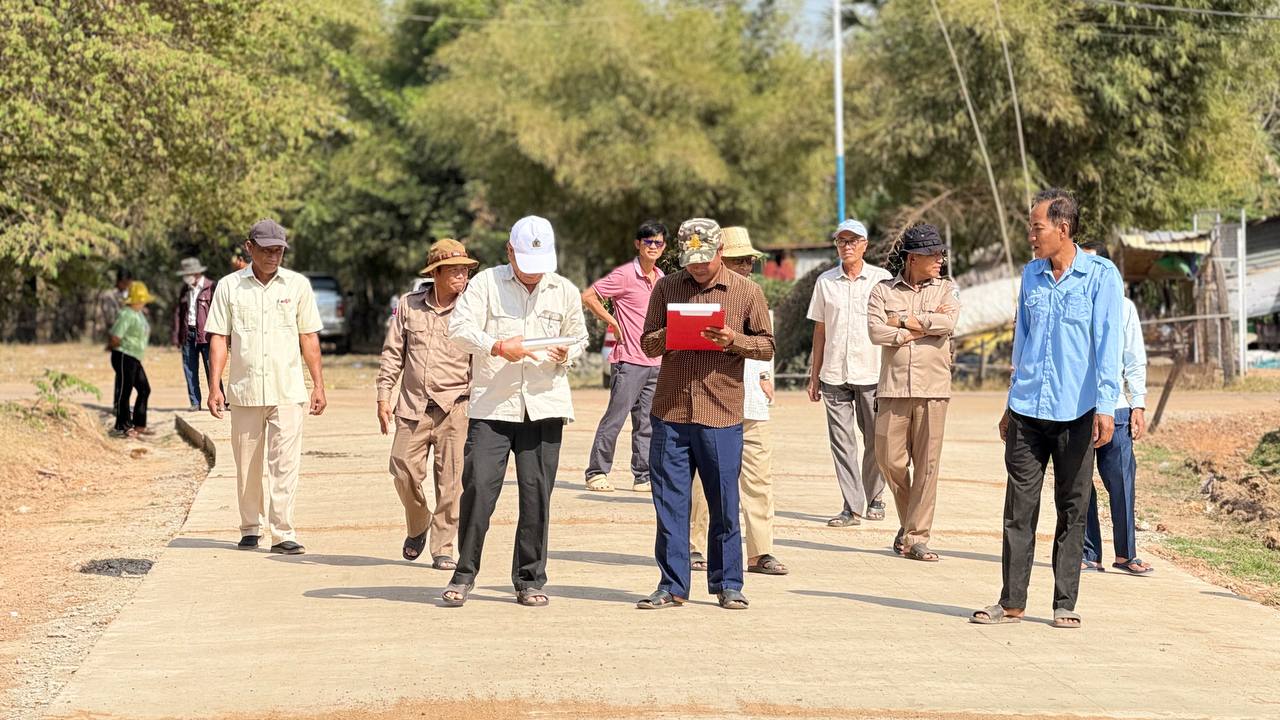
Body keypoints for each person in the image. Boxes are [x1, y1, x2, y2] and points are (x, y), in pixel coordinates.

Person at [971, 188, 1123, 629]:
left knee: (1072, 509)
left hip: (1078, 412)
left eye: (1037, 228)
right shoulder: (1031, 275)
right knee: (1018, 510)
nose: (1031, 236)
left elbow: (1108, 343)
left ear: (1063, 228)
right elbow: (1022, 343)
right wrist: (1009, 402)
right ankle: (1011, 602)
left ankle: (1064, 602)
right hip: (1026, 410)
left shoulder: (1100, 276)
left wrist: (1106, 406)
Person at [441, 216, 589, 607]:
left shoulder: (563, 289)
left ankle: (530, 579)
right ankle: (464, 573)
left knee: (536, 495)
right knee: (478, 488)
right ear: (510, 251)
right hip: (493, 405)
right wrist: (495, 346)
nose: (534, 273)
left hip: (545, 404)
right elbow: (459, 329)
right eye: (526, 263)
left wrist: (567, 352)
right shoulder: (486, 285)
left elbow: (580, 336)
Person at [635, 218, 774, 611]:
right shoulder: (666, 287)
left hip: (721, 414)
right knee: (670, 505)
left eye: (705, 259)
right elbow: (647, 344)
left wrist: (734, 340)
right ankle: (672, 586)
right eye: (690, 260)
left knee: (724, 504)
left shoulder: (746, 291)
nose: (697, 267)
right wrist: (673, 333)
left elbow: (767, 345)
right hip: (671, 412)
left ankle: (728, 584)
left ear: (720, 252)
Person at [206, 218, 327, 556]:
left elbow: (309, 337)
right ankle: (250, 527)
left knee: (284, 464)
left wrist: (318, 384)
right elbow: (219, 338)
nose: (273, 256)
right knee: (247, 465)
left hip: (287, 389)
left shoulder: (297, 285)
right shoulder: (229, 287)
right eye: (267, 250)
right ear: (250, 248)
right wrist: (214, 386)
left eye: (279, 251)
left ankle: (283, 532)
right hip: (244, 391)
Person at [689, 226, 787, 576]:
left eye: (749, 261)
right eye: (739, 260)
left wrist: (765, 377)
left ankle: (761, 551)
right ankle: (695, 546)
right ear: (719, 260)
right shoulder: (699, 300)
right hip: (713, 402)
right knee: (704, 479)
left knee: (759, 478)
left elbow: (765, 344)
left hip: (752, 404)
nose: (746, 266)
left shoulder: (754, 296)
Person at [377, 238, 478, 570]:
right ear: (435, 273)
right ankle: (418, 521)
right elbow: (393, 354)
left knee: (451, 483)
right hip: (413, 406)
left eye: (465, 270)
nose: (462, 276)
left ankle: (443, 547)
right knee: (401, 468)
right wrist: (383, 395)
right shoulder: (409, 305)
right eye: (454, 270)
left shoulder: (473, 307)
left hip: (456, 406)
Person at [866, 224, 960, 562]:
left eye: (940, 254)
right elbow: (875, 331)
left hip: (933, 389)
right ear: (912, 258)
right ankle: (910, 524)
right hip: (892, 388)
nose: (940, 260)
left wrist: (902, 321)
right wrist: (920, 327)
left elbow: (948, 324)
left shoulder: (947, 288)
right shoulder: (882, 291)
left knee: (927, 466)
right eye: (933, 255)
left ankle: (917, 537)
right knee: (888, 460)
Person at [806, 219, 893, 527]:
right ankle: (852, 507)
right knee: (842, 443)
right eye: (842, 241)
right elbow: (820, 330)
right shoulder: (825, 282)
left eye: (853, 241)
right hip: (834, 374)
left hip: (872, 373)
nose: (847, 246)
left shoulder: (881, 280)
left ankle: (875, 496)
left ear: (865, 245)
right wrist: (814, 374)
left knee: (876, 440)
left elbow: (891, 325)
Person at [1078, 240, 1154, 576]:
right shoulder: (1073, 304)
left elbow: (1134, 358)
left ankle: (1126, 554)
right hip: (1078, 408)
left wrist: (1138, 404)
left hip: (1117, 407)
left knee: (1121, 482)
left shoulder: (1123, 307)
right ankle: (1088, 553)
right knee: (1080, 483)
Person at [581, 221, 667, 493]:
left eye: (658, 242)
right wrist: (612, 321)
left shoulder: (662, 278)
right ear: (637, 244)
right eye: (648, 242)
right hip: (629, 360)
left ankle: (642, 475)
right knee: (615, 418)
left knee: (646, 423)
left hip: (656, 361)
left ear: (664, 247)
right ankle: (596, 472)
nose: (653, 247)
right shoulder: (624, 275)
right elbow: (589, 296)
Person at [108, 281, 154, 438]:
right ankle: (123, 426)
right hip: (124, 355)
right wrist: (120, 348)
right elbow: (115, 337)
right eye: (140, 299)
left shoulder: (139, 313)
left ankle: (139, 425)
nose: (143, 302)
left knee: (144, 389)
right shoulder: (126, 314)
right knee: (125, 390)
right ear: (133, 300)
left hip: (135, 357)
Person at [171, 257, 217, 412]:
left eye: (187, 274)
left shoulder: (211, 287)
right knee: (189, 369)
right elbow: (178, 313)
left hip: (206, 335)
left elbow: (218, 312)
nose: (185, 278)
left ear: (196, 273)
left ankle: (218, 400)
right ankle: (195, 402)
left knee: (212, 368)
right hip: (188, 334)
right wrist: (176, 335)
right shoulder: (184, 289)